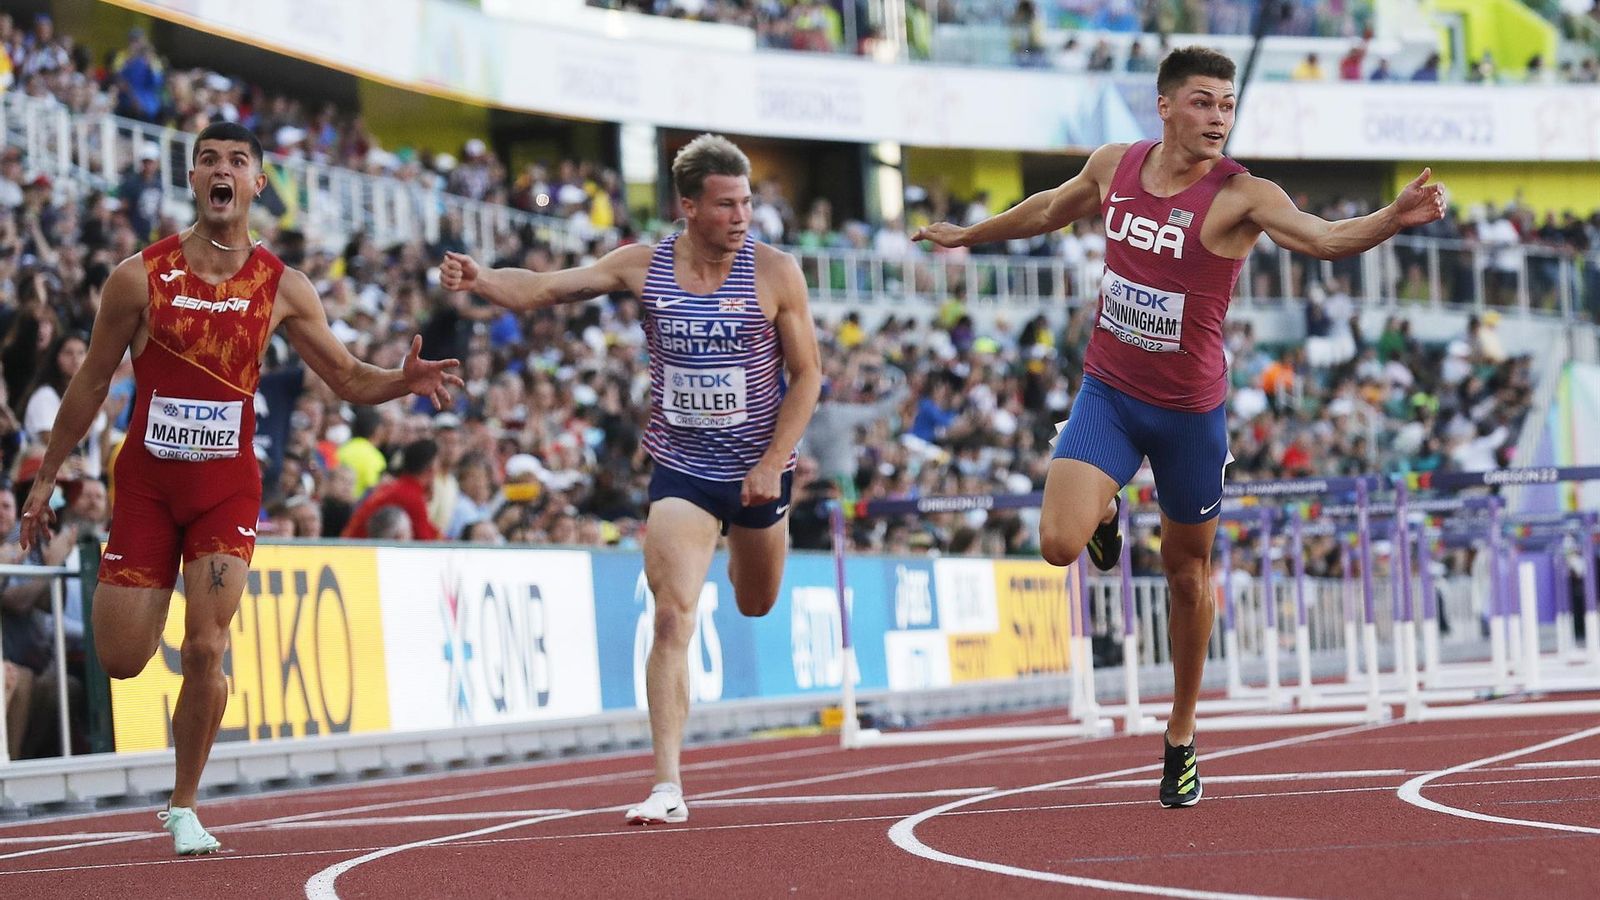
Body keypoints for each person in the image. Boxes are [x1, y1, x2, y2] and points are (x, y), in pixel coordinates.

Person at [913, 46, 1446, 809]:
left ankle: (1182, 733)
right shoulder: (1115, 165)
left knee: (1187, 578)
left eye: (1227, 105)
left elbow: (1322, 239)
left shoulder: (1243, 195)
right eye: (1203, 102)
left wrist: (1391, 218)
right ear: (1164, 106)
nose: (1218, 118)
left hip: (1190, 416)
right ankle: (1105, 507)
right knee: (1060, 544)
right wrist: (971, 235)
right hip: (1109, 390)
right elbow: (1049, 208)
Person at [18, 121, 462, 855]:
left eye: (237, 161)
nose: (222, 171)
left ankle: (184, 805)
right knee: (122, 657)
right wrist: (46, 478)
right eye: (208, 161)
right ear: (192, 181)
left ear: (258, 184)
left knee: (205, 645)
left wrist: (401, 382)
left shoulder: (283, 286)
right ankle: (158, 654)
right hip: (149, 487)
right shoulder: (139, 276)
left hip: (226, 491)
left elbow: (347, 378)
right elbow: (92, 381)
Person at [441, 133, 821, 826]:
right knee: (672, 614)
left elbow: (809, 376)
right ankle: (667, 783)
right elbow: (548, 289)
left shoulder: (774, 273)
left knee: (756, 602)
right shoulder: (643, 266)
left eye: (747, 203)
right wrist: (484, 279)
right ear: (687, 206)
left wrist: (771, 463)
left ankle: (751, 544)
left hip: (759, 473)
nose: (742, 217)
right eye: (727, 205)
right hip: (682, 469)